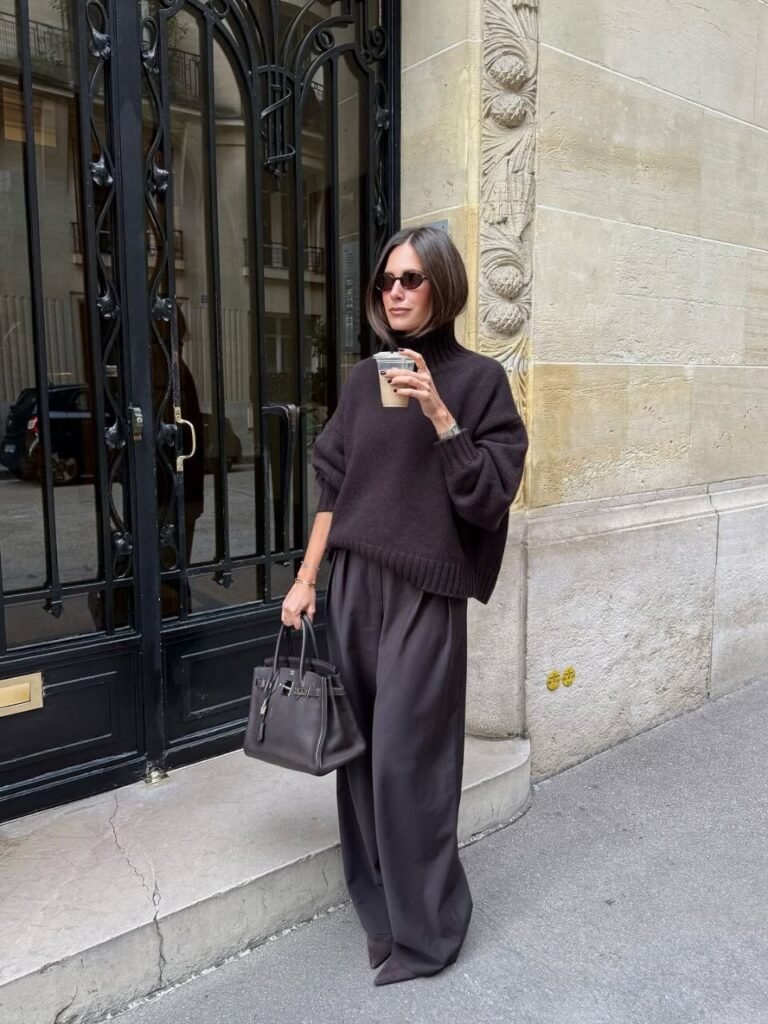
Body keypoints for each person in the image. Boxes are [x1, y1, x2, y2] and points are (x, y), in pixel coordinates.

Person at [280, 225, 528, 986]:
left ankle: (430, 930)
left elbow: (488, 499)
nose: (394, 291)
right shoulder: (363, 381)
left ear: (442, 287)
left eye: (411, 279)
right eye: (387, 280)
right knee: (358, 759)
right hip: (354, 584)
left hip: (425, 590)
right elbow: (335, 487)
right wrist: (306, 578)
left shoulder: (481, 381)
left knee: (407, 762)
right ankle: (383, 912)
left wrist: (441, 418)